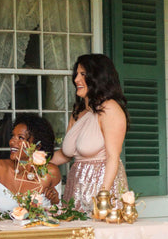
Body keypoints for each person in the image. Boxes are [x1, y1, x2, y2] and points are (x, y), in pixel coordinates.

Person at [51, 53, 129, 214]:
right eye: (77, 74)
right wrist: (34, 166)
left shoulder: (110, 109)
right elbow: (66, 155)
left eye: (83, 74)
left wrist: (103, 196)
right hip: (77, 185)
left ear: (98, 77)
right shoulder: (78, 112)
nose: (76, 80)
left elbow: (113, 157)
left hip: (100, 184)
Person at [0, 114, 61, 215]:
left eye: (21, 138)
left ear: (37, 146)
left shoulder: (51, 173)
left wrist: (55, 201)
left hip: (37, 230)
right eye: (12, 136)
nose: (11, 142)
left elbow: (56, 215)